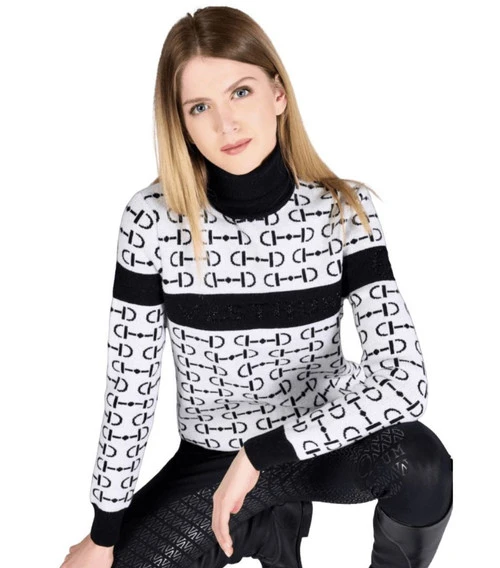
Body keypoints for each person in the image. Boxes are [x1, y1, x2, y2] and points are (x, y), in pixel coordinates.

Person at [61, 6, 453, 568]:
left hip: (320, 445)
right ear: (181, 122)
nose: (226, 124)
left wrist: (260, 454)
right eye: (200, 107)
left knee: (421, 462)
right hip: (212, 458)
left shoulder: (343, 211)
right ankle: (267, 524)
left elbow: (404, 381)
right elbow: (130, 389)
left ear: (278, 94)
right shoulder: (151, 220)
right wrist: (102, 533)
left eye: (240, 93)